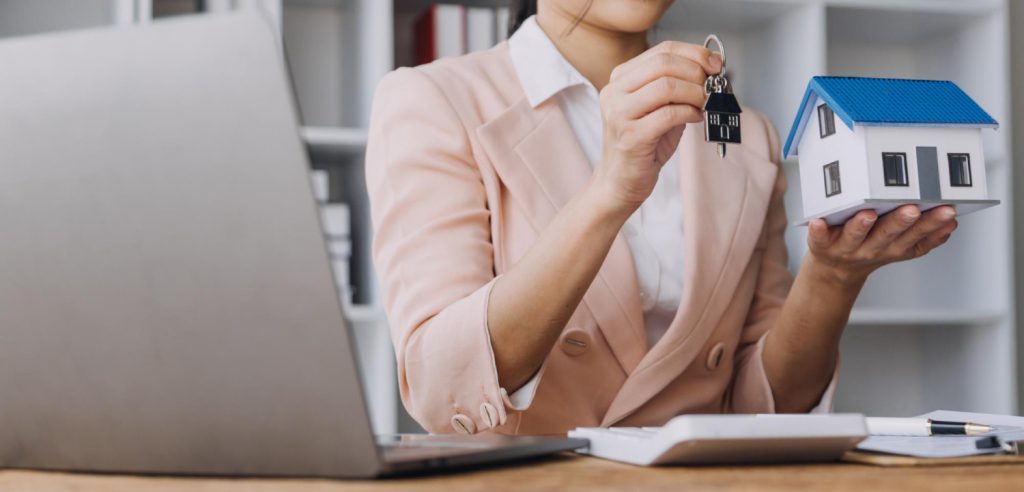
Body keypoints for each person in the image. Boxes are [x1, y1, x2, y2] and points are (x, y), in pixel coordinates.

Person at [364, 0, 958, 435]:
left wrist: (833, 277)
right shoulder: (432, 100)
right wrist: (610, 192)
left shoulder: (748, 135)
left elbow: (762, 409)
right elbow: (441, 385)